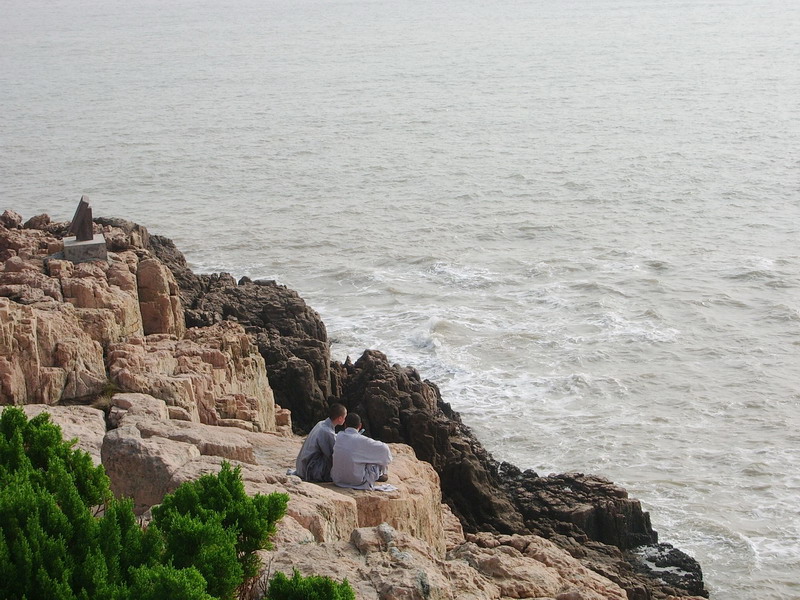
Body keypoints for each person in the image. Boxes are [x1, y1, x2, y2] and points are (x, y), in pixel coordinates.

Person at [331, 413, 392, 490]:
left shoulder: (339, 436)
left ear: (345, 425)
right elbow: (385, 449)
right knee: (376, 458)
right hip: (357, 481)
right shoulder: (362, 440)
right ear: (360, 426)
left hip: (338, 479)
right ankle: (381, 474)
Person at [295, 403, 347, 482]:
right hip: (310, 470)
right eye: (344, 417)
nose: (345, 420)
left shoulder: (321, 424)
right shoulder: (327, 432)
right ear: (340, 418)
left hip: (302, 466)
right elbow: (332, 455)